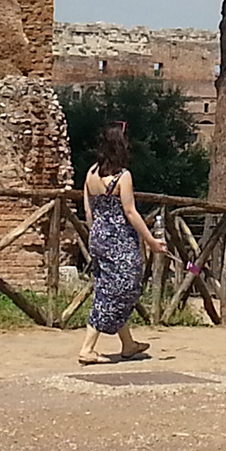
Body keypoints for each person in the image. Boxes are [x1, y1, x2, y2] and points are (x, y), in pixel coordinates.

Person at [77, 123, 166, 365]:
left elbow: (88, 210)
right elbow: (130, 211)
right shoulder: (123, 176)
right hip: (120, 240)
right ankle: (87, 348)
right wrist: (151, 240)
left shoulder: (91, 173)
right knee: (126, 287)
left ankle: (128, 344)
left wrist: (95, 233)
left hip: (98, 236)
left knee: (109, 286)